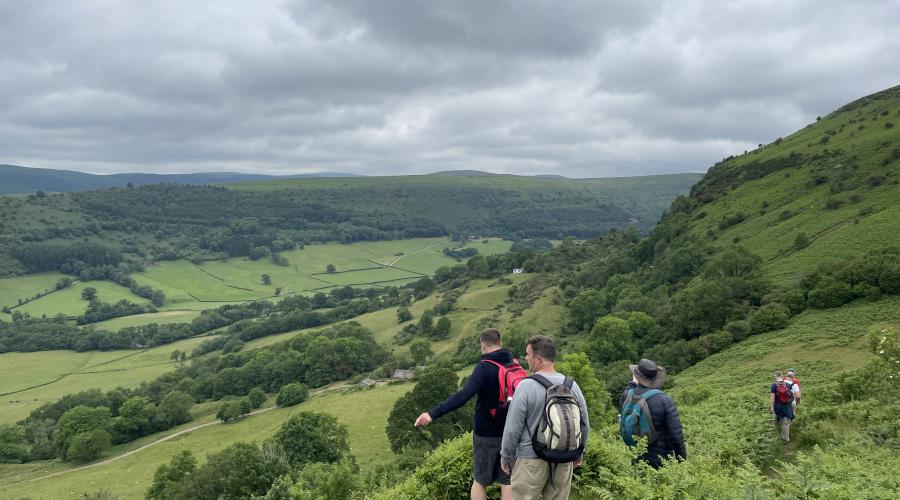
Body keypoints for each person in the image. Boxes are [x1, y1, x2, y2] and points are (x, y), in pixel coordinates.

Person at [414, 328, 516, 500]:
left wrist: (432, 414)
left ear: (483, 345)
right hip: (511, 432)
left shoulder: (484, 368)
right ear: (501, 343)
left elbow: (463, 396)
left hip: (486, 435)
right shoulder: (513, 365)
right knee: (507, 481)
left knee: (480, 481)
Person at [499, 335, 589, 500]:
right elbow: (584, 424)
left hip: (530, 461)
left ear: (538, 358)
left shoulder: (526, 386)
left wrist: (506, 456)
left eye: (528, 354)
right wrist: (579, 453)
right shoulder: (571, 386)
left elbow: (513, 427)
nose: (526, 358)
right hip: (564, 459)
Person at [618, 359, 686, 468]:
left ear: (637, 376)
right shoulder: (665, 401)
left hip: (636, 454)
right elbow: (676, 435)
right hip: (660, 460)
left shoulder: (627, 395)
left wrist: (634, 383)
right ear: (655, 379)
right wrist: (682, 461)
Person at [770, 370, 795, 442]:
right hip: (787, 406)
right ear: (782, 376)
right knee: (786, 423)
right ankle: (786, 439)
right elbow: (791, 396)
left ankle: (779, 438)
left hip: (778, 406)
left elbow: (772, 397)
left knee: (778, 421)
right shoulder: (787, 384)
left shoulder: (774, 385)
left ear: (775, 376)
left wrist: (772, 406)